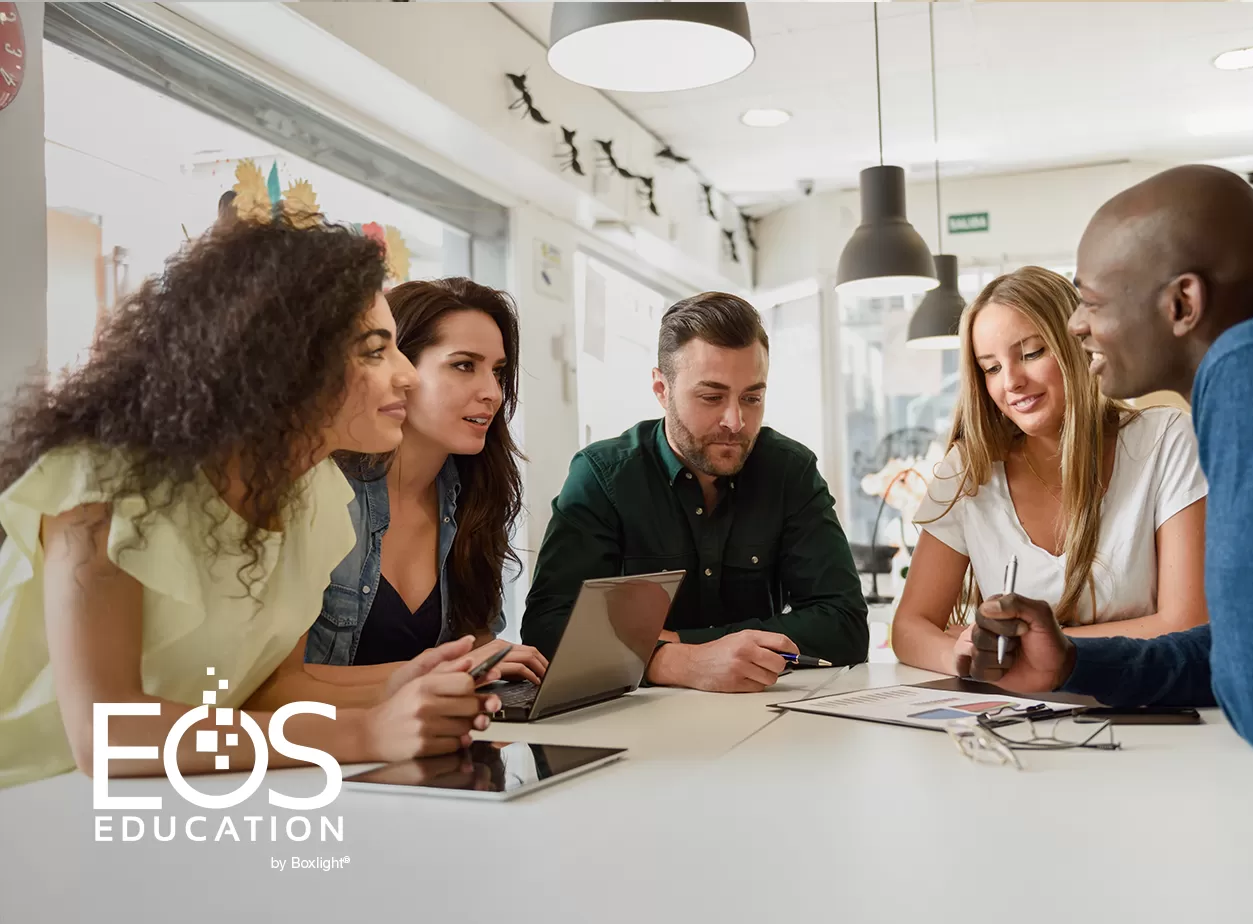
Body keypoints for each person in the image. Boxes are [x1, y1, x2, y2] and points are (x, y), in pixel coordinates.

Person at [0, 218, 502, 790]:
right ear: (283, 362)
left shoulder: (314, 494)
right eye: (374, 352)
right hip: (27, 804)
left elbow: (271, 689)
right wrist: (367, 731)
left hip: (165, 799)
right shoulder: (99, 485)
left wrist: (399, 686)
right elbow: (107, 733)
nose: (408, 377)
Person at [966, 165, 1253, 753]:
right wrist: (1072, 662)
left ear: (1183, 302)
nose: (1077, 325)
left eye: (1092, 301)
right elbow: (1246, 645)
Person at [522, 292, 868, 693]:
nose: (736, 421)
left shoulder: (790, 471)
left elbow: (845, 626)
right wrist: (673, 662)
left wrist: (681, 642)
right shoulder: (604, 477)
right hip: (638, 733)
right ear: (661, 389)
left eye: (752, 398)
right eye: (712, 397)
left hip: (764, 723)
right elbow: (547, 629)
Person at [891, 266, 1208, 675]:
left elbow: (1187, 625)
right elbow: (910, 627)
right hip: (1015, 717)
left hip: (1144, 710)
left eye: (1031, 353)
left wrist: (1032, 647)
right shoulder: (968, 471)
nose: (1012, 382)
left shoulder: (1167, 441)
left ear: (1075, 343)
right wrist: (961, 653)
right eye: (991, 368)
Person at [301, 278, 547, 685]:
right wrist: (444, 672)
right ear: (398, 369)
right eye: (464, 365)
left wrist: (486, 667)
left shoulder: (475, 493)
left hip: (425, 739)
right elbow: (273, 684)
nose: (492, 393)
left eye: (498, 371)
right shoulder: (323, 492)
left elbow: (477, 647)